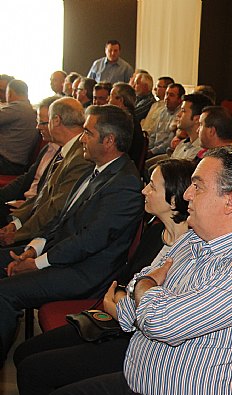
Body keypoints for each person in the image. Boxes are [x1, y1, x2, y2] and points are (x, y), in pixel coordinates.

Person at [42, 147, 232, 395]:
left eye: (197, 186)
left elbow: (160, 320)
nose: (187, 195)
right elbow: (130, 307)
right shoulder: (193, 239)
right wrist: (145, 298)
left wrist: (147, 288)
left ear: (231, 200)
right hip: (144, 393)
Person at [14, 159, 195, 395]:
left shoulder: (190, 249)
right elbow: (124, 285)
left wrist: (125, 301)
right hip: (113, 321)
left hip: (136, 342)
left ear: (174, 199)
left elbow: (155, 310)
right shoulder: (155, 233)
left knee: (33, 371)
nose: (144, 190)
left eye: (152, 186)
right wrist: (124, 300)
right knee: (24, 353)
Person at [0, 104, 144, 365]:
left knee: (4, 292)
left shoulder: (125, 184)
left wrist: (36, 263)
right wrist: (33, 249)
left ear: (109, 140)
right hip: (61, 255)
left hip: (84, 274)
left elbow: (89, 240)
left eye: (88, 132)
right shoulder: (95, 169)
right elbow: (60, 219)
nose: (82, 139)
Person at [0, 97, 92, 246]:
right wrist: (15, 224)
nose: (39, 127)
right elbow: (43, 195)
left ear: (56, 120)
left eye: (46, 121)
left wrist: (18, 234)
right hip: (33, 223)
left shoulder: (80, 156)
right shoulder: (65, 150)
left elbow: (56, 207)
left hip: (47, 237)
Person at [0, 96, 61, 224]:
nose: (38, 127)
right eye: (38, 122)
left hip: (33, 212)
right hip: (25, 202)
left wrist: (27, 207)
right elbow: (28, 177)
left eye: (43, 123)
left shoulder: (63, 156)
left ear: (57, 122)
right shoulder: (48, 147)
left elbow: (52, 199)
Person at [0, 79, 39, 174]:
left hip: (7, 163)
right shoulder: (28, 108)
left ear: (10, 93)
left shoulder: (17, 108)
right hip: (17, 163)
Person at [108, 83, 146, 169]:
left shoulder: (123, 121)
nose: (108, 100)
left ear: (120, 100)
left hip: (123, 166)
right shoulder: (129, 117)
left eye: (110, 96)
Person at [147, 83, 184, 157]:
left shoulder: (181, 115)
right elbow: (153, 135)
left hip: (166, 152)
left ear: (180, 99)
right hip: (154, 149)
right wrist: (147, 148)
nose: (167, 98)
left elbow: (169, 142)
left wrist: (152, 152)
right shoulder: (162, 112)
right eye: (166, 94)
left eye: (171, 95)